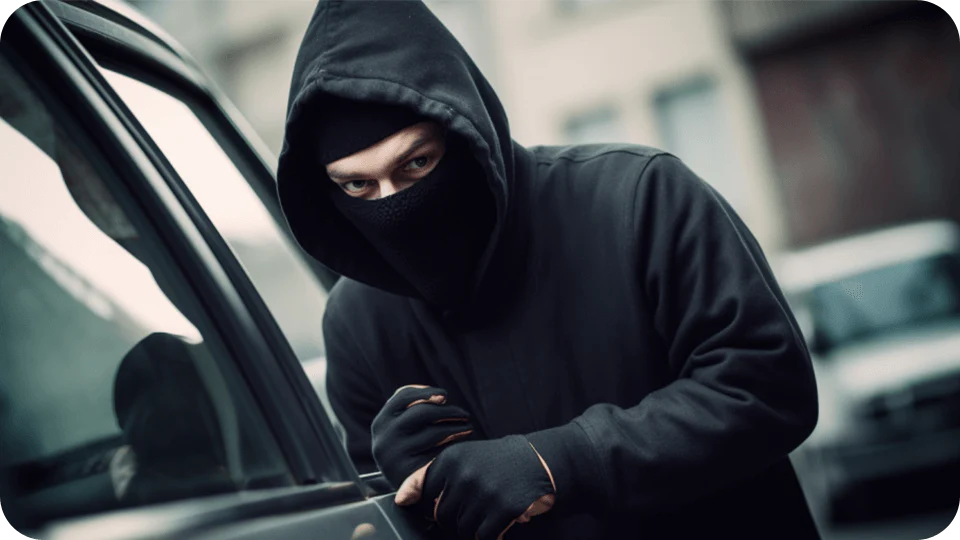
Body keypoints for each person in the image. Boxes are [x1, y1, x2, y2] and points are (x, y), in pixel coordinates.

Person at [276, 1, 821, 539]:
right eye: (358, 186)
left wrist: (563, 460)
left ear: (466, 132)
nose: (392, 206)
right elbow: (380, 526)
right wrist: (397, 485)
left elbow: (767, 387)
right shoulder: (357, 322)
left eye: (416, 163)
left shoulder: (638, 199)